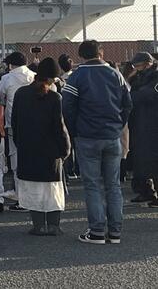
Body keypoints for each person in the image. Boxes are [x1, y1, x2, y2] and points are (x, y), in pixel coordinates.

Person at [62, 40, 132, 245]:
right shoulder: (115, 74)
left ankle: (97, 231)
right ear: (100, 52)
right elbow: (127, 104)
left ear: (81, 55)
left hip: (87, 136)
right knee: (113, 185)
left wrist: (75, 131)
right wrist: (118, 126)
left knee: (92, 185)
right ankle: (116, 232)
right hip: (112, 135)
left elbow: (67, 106)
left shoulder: (77, 76)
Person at [11, 58, 71, 237]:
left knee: (32, 188)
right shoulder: (55, 97)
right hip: (50, 151)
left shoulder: (21, 94)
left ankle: (37, 226)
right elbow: (59, 127)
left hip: (27, 148)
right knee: (52, 189)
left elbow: (14, 122)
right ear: (52, 78)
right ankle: (53, 225)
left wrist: (19, 143)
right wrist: (65, 149)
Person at [0, 52, 35, 213]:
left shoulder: (7, 79)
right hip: (35, 124)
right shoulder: (34, 76)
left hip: (14, 123)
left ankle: (21, 198)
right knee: (32, 158)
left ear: (11, 65)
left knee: (16, 161)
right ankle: (32, 196)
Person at [128, 52, 158, 204]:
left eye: (139, 65)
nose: (137, 68)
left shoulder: (155, 77)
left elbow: (149, 94)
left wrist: (131, 96)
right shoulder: (137, 78)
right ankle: (145, 191)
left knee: (154, 159)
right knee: (140, 160)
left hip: (152, 123)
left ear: (148, 63)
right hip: (139, 122)